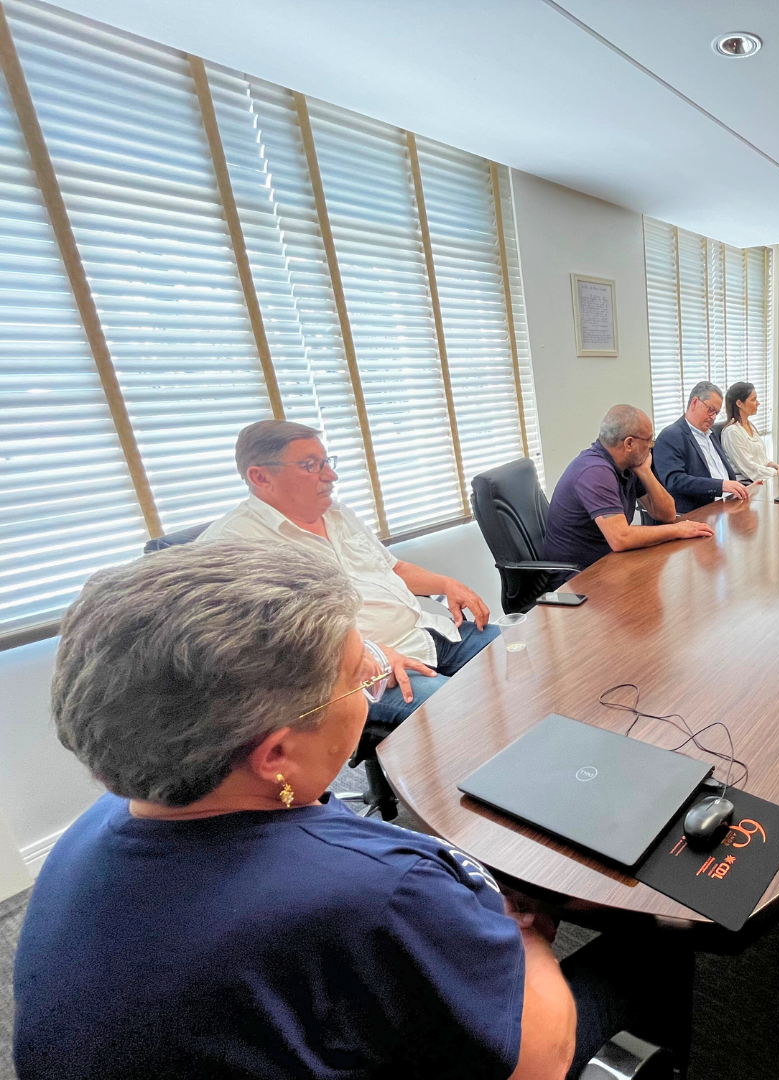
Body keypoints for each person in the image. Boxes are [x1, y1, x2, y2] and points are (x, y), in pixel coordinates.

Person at [13, 540, 691, 1079]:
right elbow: (536, 1061)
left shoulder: (101, 822)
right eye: (357, 675)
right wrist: (526, 935)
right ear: (275, 753)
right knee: (657, 943)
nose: (374, 679)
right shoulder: (385, 890)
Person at [199, 420, 497, 725]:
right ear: (260, 476)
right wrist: (366, 653)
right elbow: (260, 646)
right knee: (469, 715)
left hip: (425, 633)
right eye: (310, 465)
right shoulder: (231, 545)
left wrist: (446, 584)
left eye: (326, 462)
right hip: (359, 674)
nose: (331, 475)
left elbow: (394, 569)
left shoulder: (337, 513)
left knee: (517, 655)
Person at [544, 404, 713, 571]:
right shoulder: (595, 472)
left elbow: (667, 514)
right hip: (577, 576)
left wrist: (645, 472)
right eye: (648, 440)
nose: (651, 446)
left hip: (610, 564)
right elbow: (620, 538)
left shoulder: (626, 465)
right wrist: (676, 530)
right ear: (629, 443)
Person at [653, 381, 751, 514]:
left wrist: (743, 487)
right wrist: (720, 485)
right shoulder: (672, 436)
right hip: (699, 511)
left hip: (728, 504)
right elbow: (675, 480)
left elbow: (724, 474)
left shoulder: (711, 434)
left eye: (716, 413)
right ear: (694, 403)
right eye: (710, 410)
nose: (713, 417)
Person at [720, 381, 779, 480]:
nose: (758, 403)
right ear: (739, 403)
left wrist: (775, 466)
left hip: (763, 478)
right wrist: (775, 472)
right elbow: (749, 468)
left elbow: (762, 460)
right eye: (753, 400)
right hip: (747, 483)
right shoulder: (732, 432)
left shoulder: (750, 426)